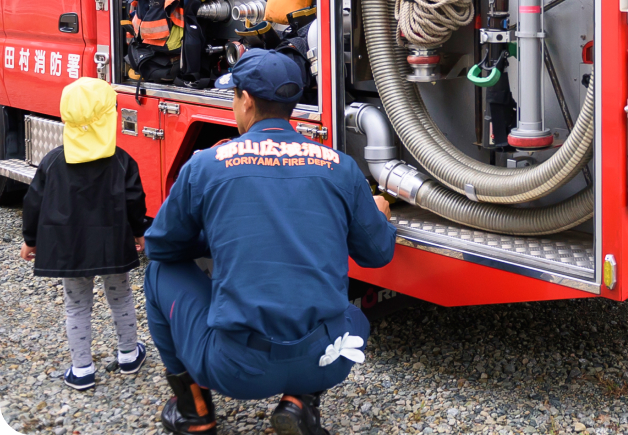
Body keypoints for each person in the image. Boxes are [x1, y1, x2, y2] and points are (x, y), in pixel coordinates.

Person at [143, 50, 397, 435]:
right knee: (354, 317)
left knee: (158, 273)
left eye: (233, 97)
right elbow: (377, 254)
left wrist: (218, 235)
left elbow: (160, 246)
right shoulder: (340, 166)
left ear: (245, 100)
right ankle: (300, 402)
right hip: (324, 358)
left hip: (236, 368)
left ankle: (194, 410)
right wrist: (376, 214)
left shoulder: (206, 165)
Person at [19, 78, 148, 390]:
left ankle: (82, 369)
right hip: (113, 246)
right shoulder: (121, 161)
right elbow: (134, 201)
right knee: (121, 297)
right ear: (108, 117)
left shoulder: (52, 161)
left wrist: (30, 239)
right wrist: (138, 233)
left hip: (70, 247)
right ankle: (129, 354)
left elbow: (33, 201)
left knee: (77, 306)